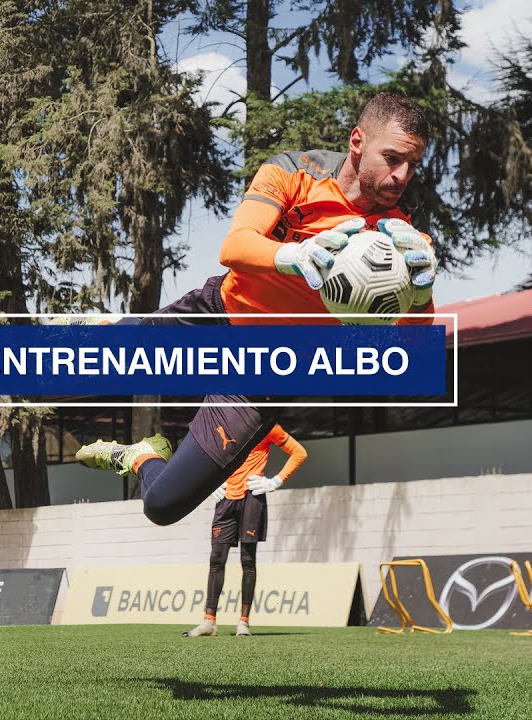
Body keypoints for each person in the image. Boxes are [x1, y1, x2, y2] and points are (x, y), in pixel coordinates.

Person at [77, 91, 438, 527]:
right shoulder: (294, 171)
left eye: (412, 165)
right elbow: (235, 245)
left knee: (163, 506)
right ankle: (114, 326)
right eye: (393, 158)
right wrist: (294, 256)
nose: (402, 176)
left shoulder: (404, 239)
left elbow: (413, 347)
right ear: (357, 141)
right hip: (218, 314)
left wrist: (421, 297)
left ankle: (141, 455)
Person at [183, 424, 307, 638]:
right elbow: (200, 454)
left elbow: (299, 452)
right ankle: (209, 622)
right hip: (225, 498)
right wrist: (209, 483)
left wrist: (275, 481)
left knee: (248, 560)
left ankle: (244, 623)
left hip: (252, 496)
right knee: (216, 559)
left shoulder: (268, 426)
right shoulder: (222, 423)